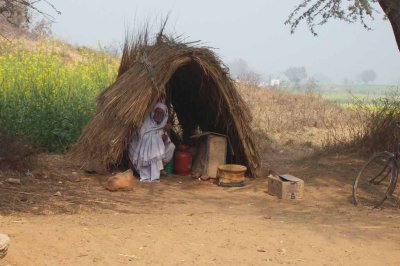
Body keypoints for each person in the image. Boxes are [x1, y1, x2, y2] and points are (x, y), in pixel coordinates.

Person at [128, 102, 175, 182]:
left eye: (161, 113)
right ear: (154, 112)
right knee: (151, 143)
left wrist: (164, 138)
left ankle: (158, 169)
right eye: (157, 112)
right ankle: (146, 172)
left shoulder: (161, 126)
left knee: (171, 146)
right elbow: (143, 138)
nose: (158, 114)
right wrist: (158, 137)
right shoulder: (146, 123)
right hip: (140, 152)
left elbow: (166, 141)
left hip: (154, 154)